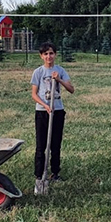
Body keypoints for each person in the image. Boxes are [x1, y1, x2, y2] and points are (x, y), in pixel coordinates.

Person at [31, 42, 74, 182]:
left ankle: (55, 173)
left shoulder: (60, 70)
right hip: (42, 112)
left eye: (51, 53)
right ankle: (39, 175)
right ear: (41, 56)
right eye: (45, 54)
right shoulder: (38, 72)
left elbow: (71, 89)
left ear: (55, 54)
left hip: (58, 111)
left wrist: (59, 79)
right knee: (41, 145)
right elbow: (34, 94)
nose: (48, 56)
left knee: (55, 144)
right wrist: (45, 105)